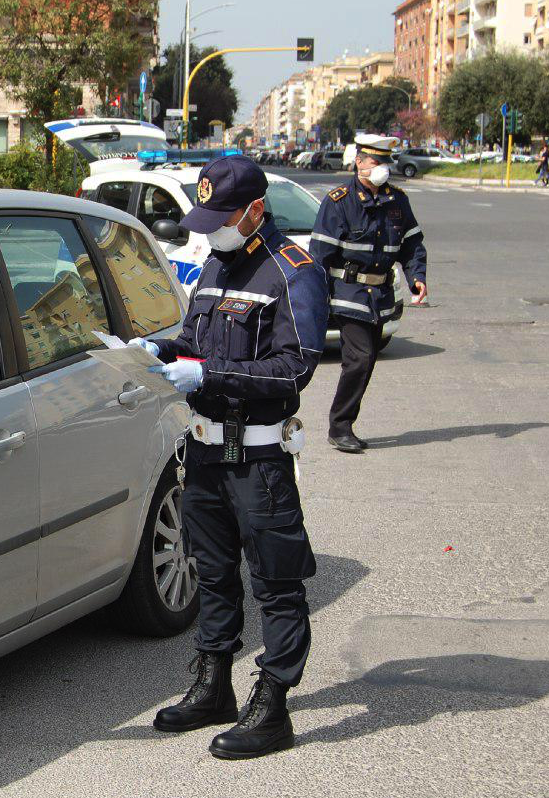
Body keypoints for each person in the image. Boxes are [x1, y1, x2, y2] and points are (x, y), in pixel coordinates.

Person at [134, 155, 328, 759]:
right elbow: (196, 339)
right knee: (211, 573)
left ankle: (273, 704)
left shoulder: (292, 270)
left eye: (222, 217)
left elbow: (294, 368)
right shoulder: (218, 262)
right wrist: (160, 348)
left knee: (276, 581)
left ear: (255, 212)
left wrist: (205, 372)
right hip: (204, 450)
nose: (211, 228)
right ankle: (214, 682)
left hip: (258, 458)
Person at [310, 134, 428, 453]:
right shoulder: (338, 201)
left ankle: (343, 423)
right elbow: (320, 254)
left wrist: (417, 278)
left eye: (385, 162)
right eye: (376, 162)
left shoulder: (397, 200)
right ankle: (340, 426)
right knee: (359, 358)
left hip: (381, 296)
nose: (382, 169)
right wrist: (317, 300)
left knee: (367, 360)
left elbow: (412, 245)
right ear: (359, 161)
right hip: (348, 293)